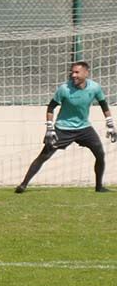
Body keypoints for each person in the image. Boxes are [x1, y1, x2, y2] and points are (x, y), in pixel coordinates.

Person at [15, 60, 115, 193]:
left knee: (100, 154)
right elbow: (51, 108)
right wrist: (50, 129)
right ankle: (23, 185)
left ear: (86, 73)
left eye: (77, 72)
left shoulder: (95, 87)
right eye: (72, 72)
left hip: (84, 128)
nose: (73, 75)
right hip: (63, 128)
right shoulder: (64, 89)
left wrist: (110, 124)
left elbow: (103, 104)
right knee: (44, 155)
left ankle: (99, 187)